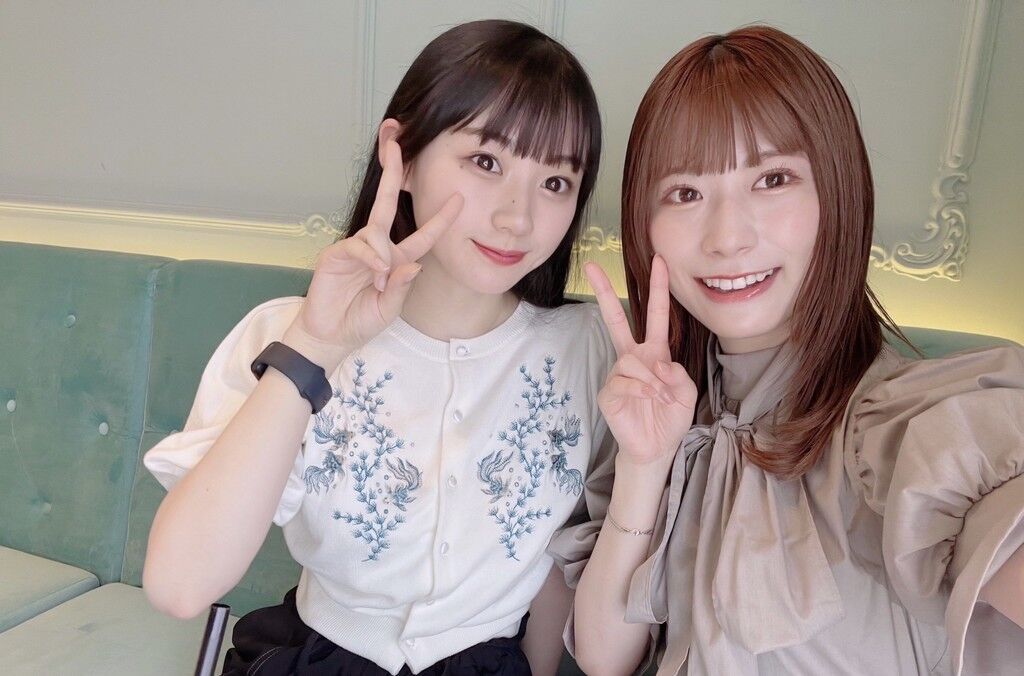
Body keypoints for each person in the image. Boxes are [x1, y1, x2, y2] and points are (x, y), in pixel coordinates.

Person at [142, 19, 614, 676]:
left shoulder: (588, 352)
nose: (519, 217)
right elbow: (179, 586)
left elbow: (562, 560)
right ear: (402, 155)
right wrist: (315, 345)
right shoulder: (286, 335)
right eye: (486, 161)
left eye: (556, 182)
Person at [556, 25, 1024, 675]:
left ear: (837, 191)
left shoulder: (903, 424)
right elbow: (605, 659)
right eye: (686, 193)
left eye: (772, 179)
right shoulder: (665, 411)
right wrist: (644, 465)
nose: (727, 237)